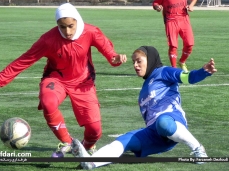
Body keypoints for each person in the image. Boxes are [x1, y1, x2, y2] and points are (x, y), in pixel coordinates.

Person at [0, 3, 127, 158]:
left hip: (83, 83)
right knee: (48, 101)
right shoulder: (48, 40)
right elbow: (25, 60)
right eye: (62, 27)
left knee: (95, 130)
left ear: (77, 21)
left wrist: (116, 58)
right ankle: (67, 142)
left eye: (70, 26)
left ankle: (84, 147)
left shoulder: (91, 32)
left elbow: (110, 54)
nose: (67, 31)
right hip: (56, 79)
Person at [71, 46, 217, 170]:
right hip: (154, 133)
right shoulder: (143, 91)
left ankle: (198, 149)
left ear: (151, 60)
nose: (135, 65)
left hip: (172, 120)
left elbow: (188, 77)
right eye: (134, 62)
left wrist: (203, 72)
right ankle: (91, 162)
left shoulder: (164, 71)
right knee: (124, 140)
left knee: (163, 123)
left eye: (139, 61)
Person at [152, 0, 198, 72]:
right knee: (173, 46)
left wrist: (191, 6)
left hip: (184, 19)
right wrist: (157, 7)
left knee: (190, 44)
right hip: (171, 20)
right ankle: (174, 69)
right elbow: (155, 3)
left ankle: (182, 61)